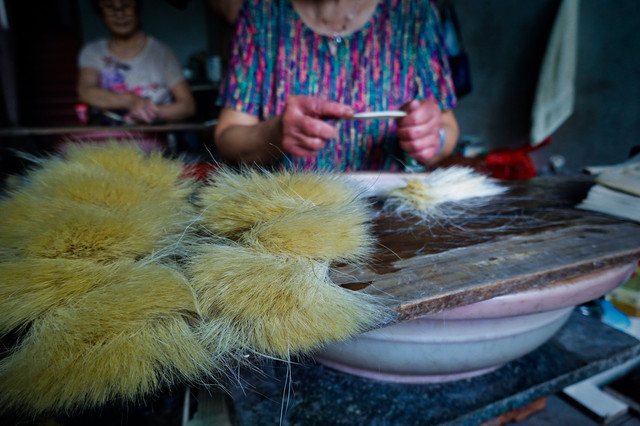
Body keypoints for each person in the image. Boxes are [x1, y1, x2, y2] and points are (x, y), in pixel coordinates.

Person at [214, 0, 460, 171]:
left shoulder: (414, 13)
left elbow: (447, 128)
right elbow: (228, 138)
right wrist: (275, 133)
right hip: (286, 212)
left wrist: (431, 138)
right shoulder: (261, 14)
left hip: (389, 210)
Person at [77, 0, 195, 125]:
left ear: (137, 8)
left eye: (127, 5)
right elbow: (86, 91)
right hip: (109, 135)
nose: (119, 13)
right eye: (109, 7)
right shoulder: (93, 52)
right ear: (101, 12)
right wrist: (130, 100)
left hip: (155, 134)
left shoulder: (162, 52)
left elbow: (187, 106)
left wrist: (150, 113)